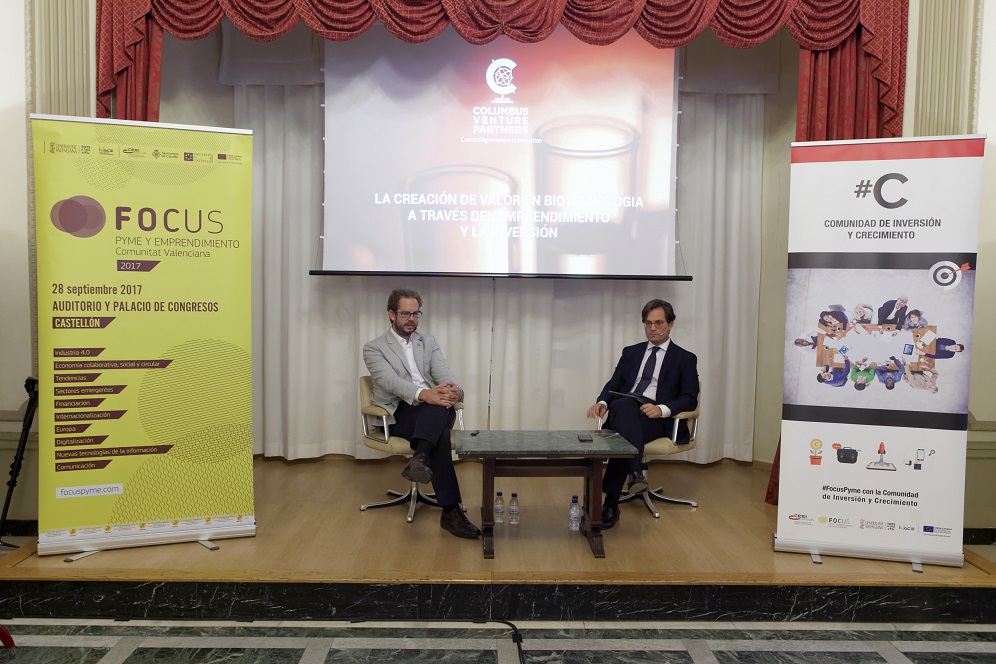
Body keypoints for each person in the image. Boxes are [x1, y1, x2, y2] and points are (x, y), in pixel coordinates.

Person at [363, 288, 481, 539]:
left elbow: (443, 372)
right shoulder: (374, 348)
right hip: (398, 411)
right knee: (439, 431)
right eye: (405, 313)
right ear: (391, 314)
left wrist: (455, 390)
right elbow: (389, 381)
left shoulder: (428, 342)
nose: (411, 319)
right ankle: (450, 512)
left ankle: (420, 458)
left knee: (439, 407)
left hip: (433, 408)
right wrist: (425, 394)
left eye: (415, 314)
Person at [585, 299, 699, 530]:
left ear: (671, 324)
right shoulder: (631, 352)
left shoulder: (685, 358)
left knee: (622, 431)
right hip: (625, 412)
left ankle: (611, 503)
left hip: (656, 420)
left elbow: (689, 397)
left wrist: (661, 409)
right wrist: (602, 402)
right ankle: (635, 474)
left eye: (658, 323)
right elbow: (614, 384)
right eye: (648, 323)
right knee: (625, 404)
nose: (652, 328)